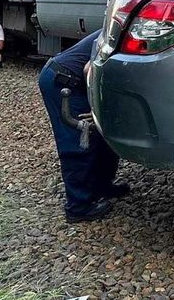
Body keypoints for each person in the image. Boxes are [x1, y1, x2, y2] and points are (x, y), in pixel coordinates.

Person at [37, 30, 127, 222]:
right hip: (63, 81)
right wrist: (97, 109)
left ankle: (101, 187)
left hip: (76, 80)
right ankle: (78, 207)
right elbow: (89, 69)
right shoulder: (121, 31)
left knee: (103, 136)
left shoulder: (125, 25)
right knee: (79, 141)